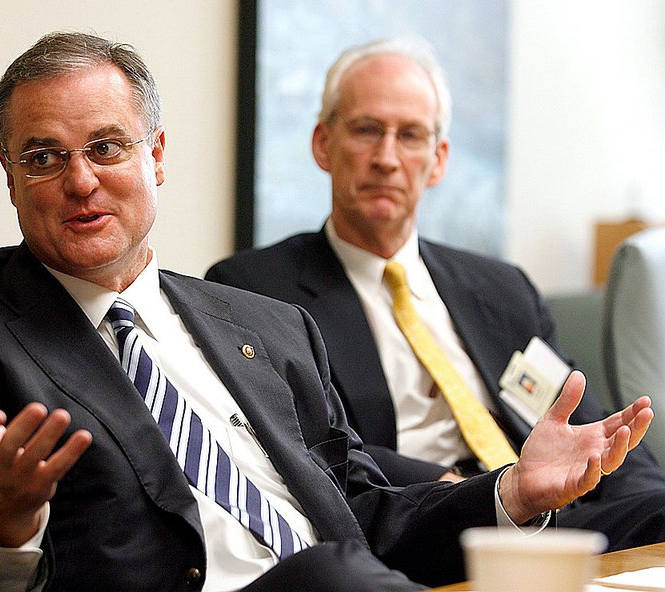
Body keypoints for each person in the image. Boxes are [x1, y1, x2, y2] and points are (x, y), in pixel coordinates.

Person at [0, 32, 652, 592]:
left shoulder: (262, 324)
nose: (80, 180)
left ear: (157, 156)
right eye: (43, 157)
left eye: (107, 146)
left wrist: (513, 490)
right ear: (8, 175)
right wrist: (3, 517)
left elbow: (363, 511)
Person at [205, 36, 665, 553]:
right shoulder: (252, 289)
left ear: (439, 159)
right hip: (419, 525)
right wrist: (469, 487)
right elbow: (307, 449)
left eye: (410, 136)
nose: (386, 158)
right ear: (322, 144)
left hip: (558, 520)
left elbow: (582, 424)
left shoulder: (501, 287)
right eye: (366, 130)